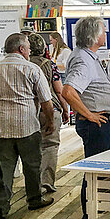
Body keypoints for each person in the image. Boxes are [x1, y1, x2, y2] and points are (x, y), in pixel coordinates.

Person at [0, 33, 55, 214]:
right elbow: (47, 102)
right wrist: (50, 122)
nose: (29, 51)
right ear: (21, 49)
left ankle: (2, 208)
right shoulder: (32, 69)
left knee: (4, 171)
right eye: (28, 48)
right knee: (32, 166)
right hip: (27, 127)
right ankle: (34, 199)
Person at [62, 16, 110, 219]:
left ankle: (99, 215)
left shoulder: (87, 56)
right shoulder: (83, 60)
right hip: (96, 124)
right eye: (103, 31)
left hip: (99, 122)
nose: (106, 35)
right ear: (95, 36)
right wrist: (89, 115)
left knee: (101, 170)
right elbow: (69, 91)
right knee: (97, 172)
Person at [28, 33, 70, 193]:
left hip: (29, 111)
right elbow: (59, 90)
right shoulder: (50, 65)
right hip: (50, 109)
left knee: (33, 148)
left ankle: (33, 185)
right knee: (50, 145)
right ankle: (46, 182)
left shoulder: (24, 64)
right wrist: (65, 109)